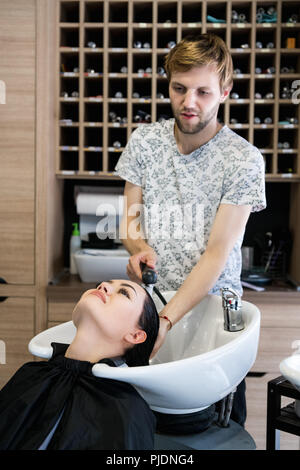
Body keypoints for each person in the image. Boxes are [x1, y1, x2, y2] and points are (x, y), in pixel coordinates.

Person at [114, 33, 266, 429]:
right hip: (151, 307)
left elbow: (217, 252)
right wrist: (140, 248)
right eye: (179, 89)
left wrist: (167, 320)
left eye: (203, 91)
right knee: (146, 425)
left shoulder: (243, 159)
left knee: (214, 427)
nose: (189, 102)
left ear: (225, 91)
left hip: (215, 311)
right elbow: (130, 219)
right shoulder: (145, 141)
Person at [0, 280, 159, 450]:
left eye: (124, 293)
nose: (103, 285)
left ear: (135, 336)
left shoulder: (128, 411)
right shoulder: (31, 374)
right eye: (104, 283)